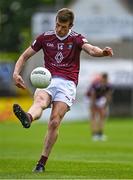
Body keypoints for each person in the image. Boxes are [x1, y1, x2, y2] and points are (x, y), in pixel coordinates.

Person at [12, 8, 113, 172]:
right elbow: (24, 56)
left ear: (71, 25)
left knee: (54, 121)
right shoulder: (45, 37)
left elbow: (91, 49)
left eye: (64, 27)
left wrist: (102, 52)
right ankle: (28, 117)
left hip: (67, 84)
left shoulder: (77, 39)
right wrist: (16, 73)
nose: (59, 29)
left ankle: (41, 163)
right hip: (48, 79)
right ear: (55, 22)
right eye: (58, 25)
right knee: (40, 101)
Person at [86, 73, 113, 141]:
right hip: (90, 98)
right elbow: (93, 95)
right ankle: (94, 134)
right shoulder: (96, 84)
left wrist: (106, 104)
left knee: (102, 115)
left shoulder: (108, 85)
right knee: (94, 116)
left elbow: (108, 95)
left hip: (100, 98)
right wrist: (93, 105)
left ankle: (100, 133)